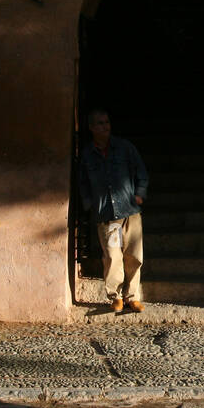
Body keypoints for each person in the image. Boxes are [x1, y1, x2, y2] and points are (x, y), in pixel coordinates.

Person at [78, 108, 148, 313]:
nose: (105, 126)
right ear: (91, 128)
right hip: (106, 215)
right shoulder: (87, 155)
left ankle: (132, 296)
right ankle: (115, 297)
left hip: (129, 212)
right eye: (100, 123)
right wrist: (89, 204)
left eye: (106, 122)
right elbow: (83, 183)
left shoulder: (124, 148)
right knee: (112, 256)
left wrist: (139, 194)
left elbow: (141, 171)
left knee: (134, 256)